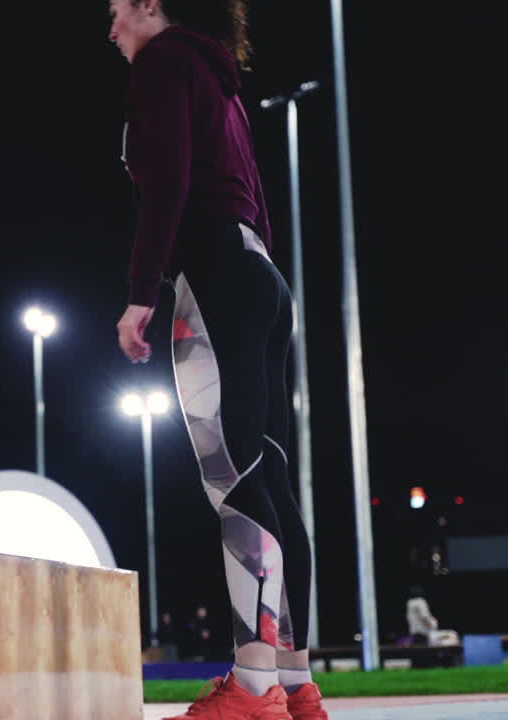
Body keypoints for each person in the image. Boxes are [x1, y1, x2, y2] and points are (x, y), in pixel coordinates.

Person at [108, 1, 323, 718]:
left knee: (233, 481)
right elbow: (248, 198)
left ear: (149, 4)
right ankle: (295, 689)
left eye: (115, 11)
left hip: (218, 277)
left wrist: (144, 292)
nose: (110, 30)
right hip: (258, 275)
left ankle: (252, 691)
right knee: (268, 476)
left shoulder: (166, 61)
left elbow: (167, 180)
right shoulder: (218, 79)